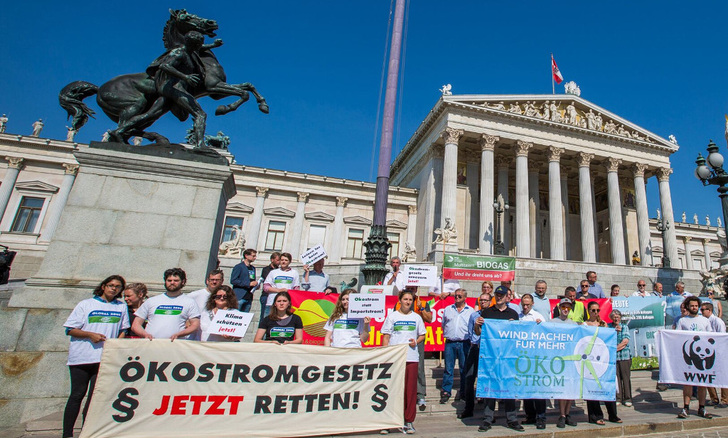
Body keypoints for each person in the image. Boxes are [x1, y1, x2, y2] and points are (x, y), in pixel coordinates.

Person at [62, 275, 129, 438]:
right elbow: (70, 329)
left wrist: (115, 344)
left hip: (104, 358)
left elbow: (123, 330)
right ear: (104, 286)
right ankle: (67, 433)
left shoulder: (121, 307)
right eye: (111, 285)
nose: (114, 288)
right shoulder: (86, 304)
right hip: (82, 357)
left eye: (118, 286)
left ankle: (87, 431)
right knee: (77, 394)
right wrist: (90, 335)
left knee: (94, 398)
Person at [477, 285, 523, 433]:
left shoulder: (513, 314)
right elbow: (479, 333)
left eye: (502, 295)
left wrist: (513, 325)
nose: (499, 297)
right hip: (491, 356)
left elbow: (518, 335)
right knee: (490, 388)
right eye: (497, 295)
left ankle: (512, 419)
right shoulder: (488, 312)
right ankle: (487, 418)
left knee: (508, 387)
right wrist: (477, 325)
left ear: (507, 297)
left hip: (508, 357)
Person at [381, 289, 426, 434]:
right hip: (395, 358)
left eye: (410, 300)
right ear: (400, 300)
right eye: (405, 299)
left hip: (411, 357)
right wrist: (385, 354)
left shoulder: (416, 317)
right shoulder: (392, 316)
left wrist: (415, 342)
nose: (408, 302)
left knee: (410, 391)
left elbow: (422, 335)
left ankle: (409, 421)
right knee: (393, 390)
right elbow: (386, 337)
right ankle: (388, 422)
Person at [132, 268, 200, 340]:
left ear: (183, 282)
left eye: (176, 280)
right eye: (169, 280)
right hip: (151, 344)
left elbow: (195, 325)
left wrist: (180, 334)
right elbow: (136, 324)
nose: (172, 283)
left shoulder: (189, 302)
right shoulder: (152, 301)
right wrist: (145, 334)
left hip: (175, 345)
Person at [675, 296, 714, 419]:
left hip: (702, 358)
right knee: (688, 383)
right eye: (692, 306)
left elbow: (711, 336)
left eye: (696, 306)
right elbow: (677, 337)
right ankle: (686, 407)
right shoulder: (682, 321)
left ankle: (701, 407)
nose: (694, 308)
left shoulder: (705, 321)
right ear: (688, 306)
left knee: (702, 383)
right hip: (689, 357)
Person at [584, 302, 621, 425]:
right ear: (588, 311)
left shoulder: (604, 324)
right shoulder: (584, 325)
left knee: (607, 386)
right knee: (592, 388)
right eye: (593, 310)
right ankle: (595, 416)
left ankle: (612, 414)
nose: (595, 313)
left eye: (597, 310)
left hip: (603, 360)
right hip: (590, 359)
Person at [459, 292, 491, 419]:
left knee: (487, 380)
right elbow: (470, 331)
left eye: (485, 300)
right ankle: (468, 408)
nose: (483, 302)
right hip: (475, 348)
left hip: (488, 350)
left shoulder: (492, 315)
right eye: (481, 300)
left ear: (490, 301)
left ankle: (488, 412)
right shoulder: (473, 316)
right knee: (469, 378)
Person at [440, 288, 475, 404]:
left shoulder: (470, 311)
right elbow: (443, 324)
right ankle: (446, 391)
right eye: (455, 296)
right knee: (448, 368)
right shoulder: (448, 309)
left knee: (464, 368)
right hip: (450, 342)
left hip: (464, 342)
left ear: (465, 298)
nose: (457, 298)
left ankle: (464, 392)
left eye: (460, 296)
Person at [519, 293, 546, 429]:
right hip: (523, 358)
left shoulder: (538, 317)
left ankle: (541, 417)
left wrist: (540, 326)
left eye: (528, 305)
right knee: (526, 388)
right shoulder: (519, 317)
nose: (525, 307)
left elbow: (547, 334)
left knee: (538, 389)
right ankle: (530, 416)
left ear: (532, 304)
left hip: (536, 358)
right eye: (523, 304)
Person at [551, 298, 578, 428]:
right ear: (560, 308)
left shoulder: (574, 324)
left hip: (571, 360)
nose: (565, 309)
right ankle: (561, 415)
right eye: (563, 307)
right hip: (558, 360)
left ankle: (567, 414)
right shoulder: (553, 322)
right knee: (562, 389)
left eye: (568, 307)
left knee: (570, 390)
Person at [188, 269, 225, 338]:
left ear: (222, 281)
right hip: (196, 335)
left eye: (217, 280)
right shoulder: (194, 295)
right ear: (207, 281)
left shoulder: (225, 298)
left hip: (215, 336)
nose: (214, 282)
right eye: (212, 279)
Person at [262, 252, 300, 317]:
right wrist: (278, 290)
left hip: (286, 304)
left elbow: (296, 289)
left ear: (289, 262)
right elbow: (266, 287)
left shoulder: (294, 273)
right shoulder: (273, 272)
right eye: (282, 260)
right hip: (272, 302)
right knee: (268, 323)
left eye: (286, 260)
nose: (283, 262)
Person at [609, 309, 633, 407]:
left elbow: (625, 341)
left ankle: (628, 398)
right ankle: (618, 397)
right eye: (614, 317)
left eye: (618, 317)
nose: (616, 319)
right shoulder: (609, 327)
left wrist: (614, 349)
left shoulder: (624, 327)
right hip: (614, 358)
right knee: (616, 378)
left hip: (624, 356)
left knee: (625, 378)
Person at [259, 252, 281, 320]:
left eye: (280, 260)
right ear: (272, 260)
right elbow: (269, 281)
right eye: (277, 260)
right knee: (265, 316)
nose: (279, 262)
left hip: (276, 296)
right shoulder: (266, 269)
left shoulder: (279, 271)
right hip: (266, 295)